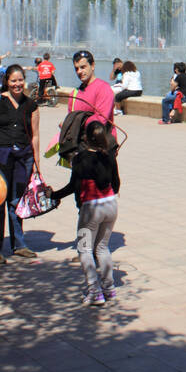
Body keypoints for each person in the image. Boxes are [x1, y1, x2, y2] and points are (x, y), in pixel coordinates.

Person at [49, 121, 120, 306]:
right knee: (103, 247)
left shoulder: (80, 158)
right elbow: (116, 183)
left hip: (91, 208)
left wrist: (52, 195)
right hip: (111, 204)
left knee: (84, 248)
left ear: (86, 138)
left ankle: (94, 291)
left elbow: (73, 186)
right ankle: (109, 288)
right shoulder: (110, 156)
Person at [0, 64, 40, 264]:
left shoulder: (31, 105)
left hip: (23, 157)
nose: (17, 84)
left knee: (17, 202)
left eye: (20, 80)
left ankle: (19, 244)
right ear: (7, 81)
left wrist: (37, 163)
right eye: (13, 80)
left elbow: (35, 135)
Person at [70, 50, 115, 129]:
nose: (79, 71)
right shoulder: (74, 93)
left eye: (83, 67)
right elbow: (70, 118)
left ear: (93, 66)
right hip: (78, 139)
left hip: (99, 140)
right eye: (76, 68)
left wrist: (76, 123)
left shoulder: (103, 89)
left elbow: (99, 121)